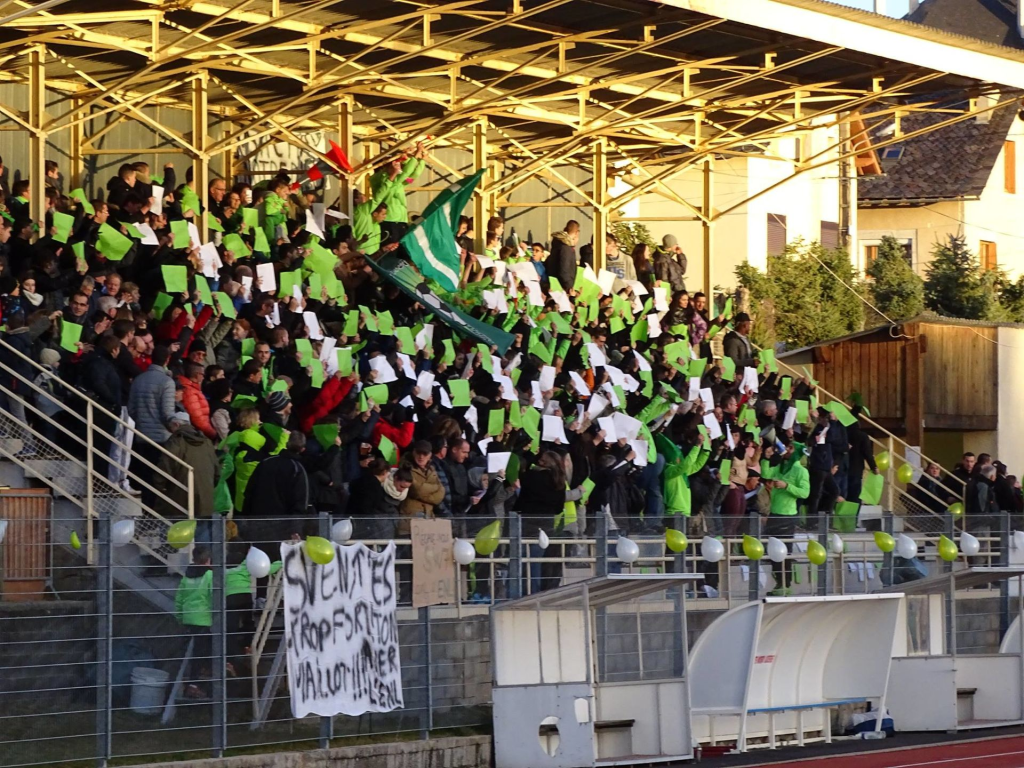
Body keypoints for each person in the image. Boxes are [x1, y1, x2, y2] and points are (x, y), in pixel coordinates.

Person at [156, 411, 219, 543]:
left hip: (180, 497)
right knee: (202, 536)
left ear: (176, 425)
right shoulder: (206, 442)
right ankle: (203, 555)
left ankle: (168, 552)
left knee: (173, 535)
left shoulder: (175, 441)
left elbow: (164, 468)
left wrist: (159, 487)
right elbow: (217, 471)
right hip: (205, 496)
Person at [759, 442, 810, 596]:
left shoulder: (801, 471)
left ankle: (785, 584)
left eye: (791, 448)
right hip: (774, 513)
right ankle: (778, 583)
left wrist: (786, 486)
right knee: (773, 551)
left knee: (784, 551)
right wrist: (766, 458)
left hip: (787, 515)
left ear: (797, 452)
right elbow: (766, 474)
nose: (786, 450)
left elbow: (805, 493)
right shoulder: (780, 467)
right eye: (786, 447)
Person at [175, 545, 213, 699]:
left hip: (188, 618)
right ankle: (194, 684)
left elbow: (179, 598)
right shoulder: (209, 575)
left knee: (197, 649)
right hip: (203, 618)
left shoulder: (186, 577)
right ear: (208, 560)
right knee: (201, 650)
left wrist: (180, 617)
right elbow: (213, 596)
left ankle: (201, 672)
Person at [397, 439, 445, 535]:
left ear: (430, 455)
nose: (421, 457)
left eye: (425, 454)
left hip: (428, 519)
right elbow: (416, 490)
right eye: (419, 453)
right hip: (409, 520)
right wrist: (435, 487)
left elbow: (441, 495)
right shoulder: (406, 468)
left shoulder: (432, 469)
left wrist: (424, 489)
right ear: (413, 452)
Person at [544, 220, 579, 295]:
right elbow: (564, 270)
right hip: (562, 289)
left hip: (554, 285)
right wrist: (570, 288)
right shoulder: (566, 248)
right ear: (576, 233)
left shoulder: (558, 245)